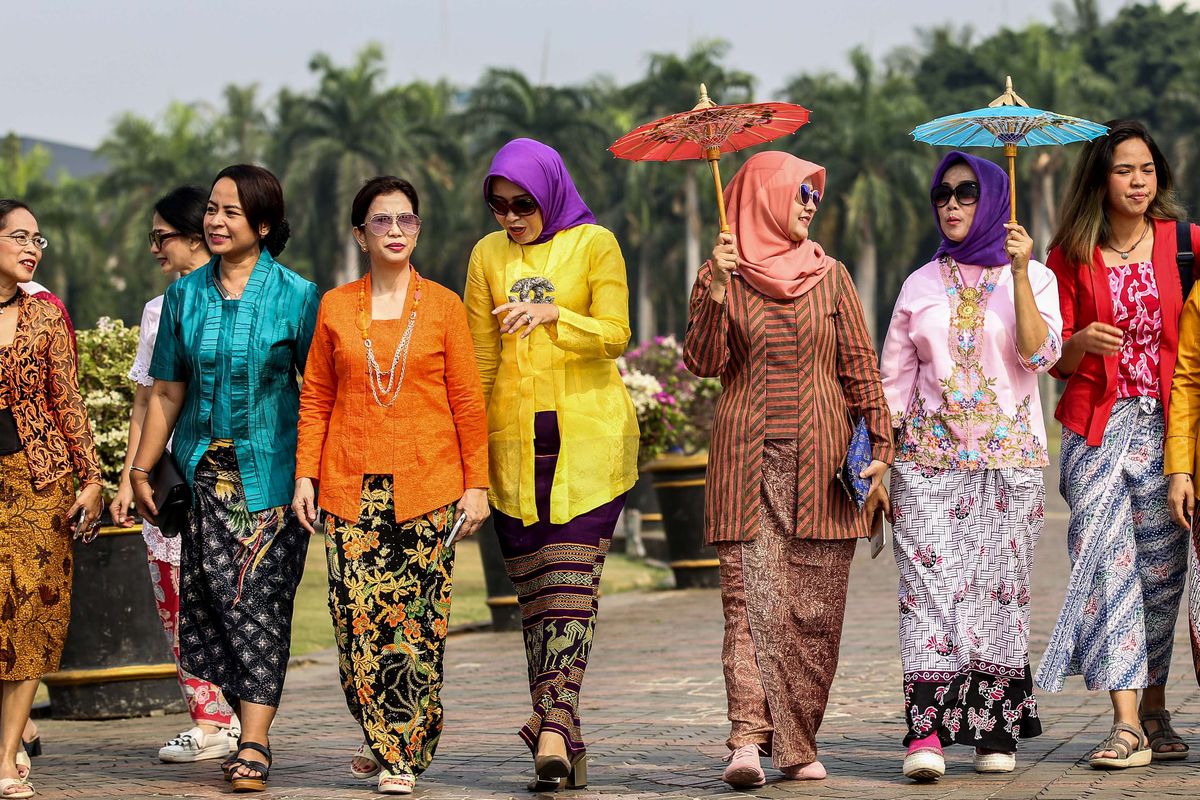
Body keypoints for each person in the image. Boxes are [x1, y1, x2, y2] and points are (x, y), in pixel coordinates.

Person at [683, 151, 891, 788]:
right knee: (748, 606)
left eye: (814, 196)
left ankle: (797, 743)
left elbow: (860, 367)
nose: (808, 204)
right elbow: (703, 360)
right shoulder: (722, 274)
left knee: (813, 612)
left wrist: (880, 448)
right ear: (764, 197)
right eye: (798, 192)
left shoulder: (831, 277)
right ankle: (746, 739)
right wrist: (716, 289)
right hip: (746, 463)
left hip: (826, 469)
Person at [294, 176, 489, 795]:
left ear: (419, 230)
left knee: (417, 625)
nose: (396, 231)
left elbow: (467, 400)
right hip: (350, 485)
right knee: (355, 625)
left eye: (407, 220)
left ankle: (400, 754)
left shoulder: (444, 307)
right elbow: (317, 397)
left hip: (429, 486)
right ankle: (380, 731)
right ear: (360, 234)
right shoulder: (334, 306)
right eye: (382, 221)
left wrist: (476, 484)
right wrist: (306, 474)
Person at [129, 166, 319, 792]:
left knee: (261, 605)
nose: (214, 221)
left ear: (263, 225)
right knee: (212, 608)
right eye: (211, 209)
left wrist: (312, 475)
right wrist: (139, 470)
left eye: (230, 212)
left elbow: (316, 396)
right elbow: (166, 392)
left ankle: (256, 742)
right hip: (202, 482)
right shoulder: (184, 298)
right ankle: (242, 722)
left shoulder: (298, 296)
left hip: (271, 479)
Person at [880, 152, 1061, 781]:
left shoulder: (1035, 277)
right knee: (927, 594)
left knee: (1000, 595)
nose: (952, 205)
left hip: (1010, 466)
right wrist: (879, 462)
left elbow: (1040, 358)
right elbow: (893, 384)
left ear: (991, 200)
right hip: (926, 465)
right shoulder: (918, 284)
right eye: (942, 196)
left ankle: (993, 731)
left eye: (965, 194)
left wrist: (1015, 274)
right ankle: (925, 733)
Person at [464, 138, 638, 791]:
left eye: (523, 204)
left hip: (589, 446)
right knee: (538, 605)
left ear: (550, 193)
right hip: (513, 451)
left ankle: (554, 728)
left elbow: (616, 333)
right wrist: (472, 464)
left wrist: (554, 314)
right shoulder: (486, 256)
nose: (511, 217)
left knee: (571, 594)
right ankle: (562, 732)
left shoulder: (596, 245)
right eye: (500, 205)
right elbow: (480, 364)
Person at [1037, 119, 1194, 768]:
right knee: (1108, 570)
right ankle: (1125, 724)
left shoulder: (1183, 243)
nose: (1137, 181)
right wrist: (1079, 345)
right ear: (1100, 180)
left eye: (1147, 169)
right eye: (1124, 170)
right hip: (1095, 432)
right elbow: (1051, 356)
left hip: (1168, 434)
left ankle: (1155, 706)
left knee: (1160, 578)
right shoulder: (1069, 254)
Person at [110, 186, 238, 763]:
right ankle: (208, 719)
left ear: (195, 237)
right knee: (175, 593)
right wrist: (128, 477)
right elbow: (146, 402)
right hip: (171, 478)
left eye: (162, 236)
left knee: (232, 595)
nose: (154, 248)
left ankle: (243, 714)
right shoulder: (158, 311)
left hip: (236, 475)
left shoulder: (248, 298)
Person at [0, 199, 104, 800]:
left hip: (39, 483)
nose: (32, 247)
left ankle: (8, 757)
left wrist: (90, 477)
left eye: (38, 238)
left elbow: (68, 400)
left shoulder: (44, 315)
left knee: (31, 619)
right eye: (19, 236)